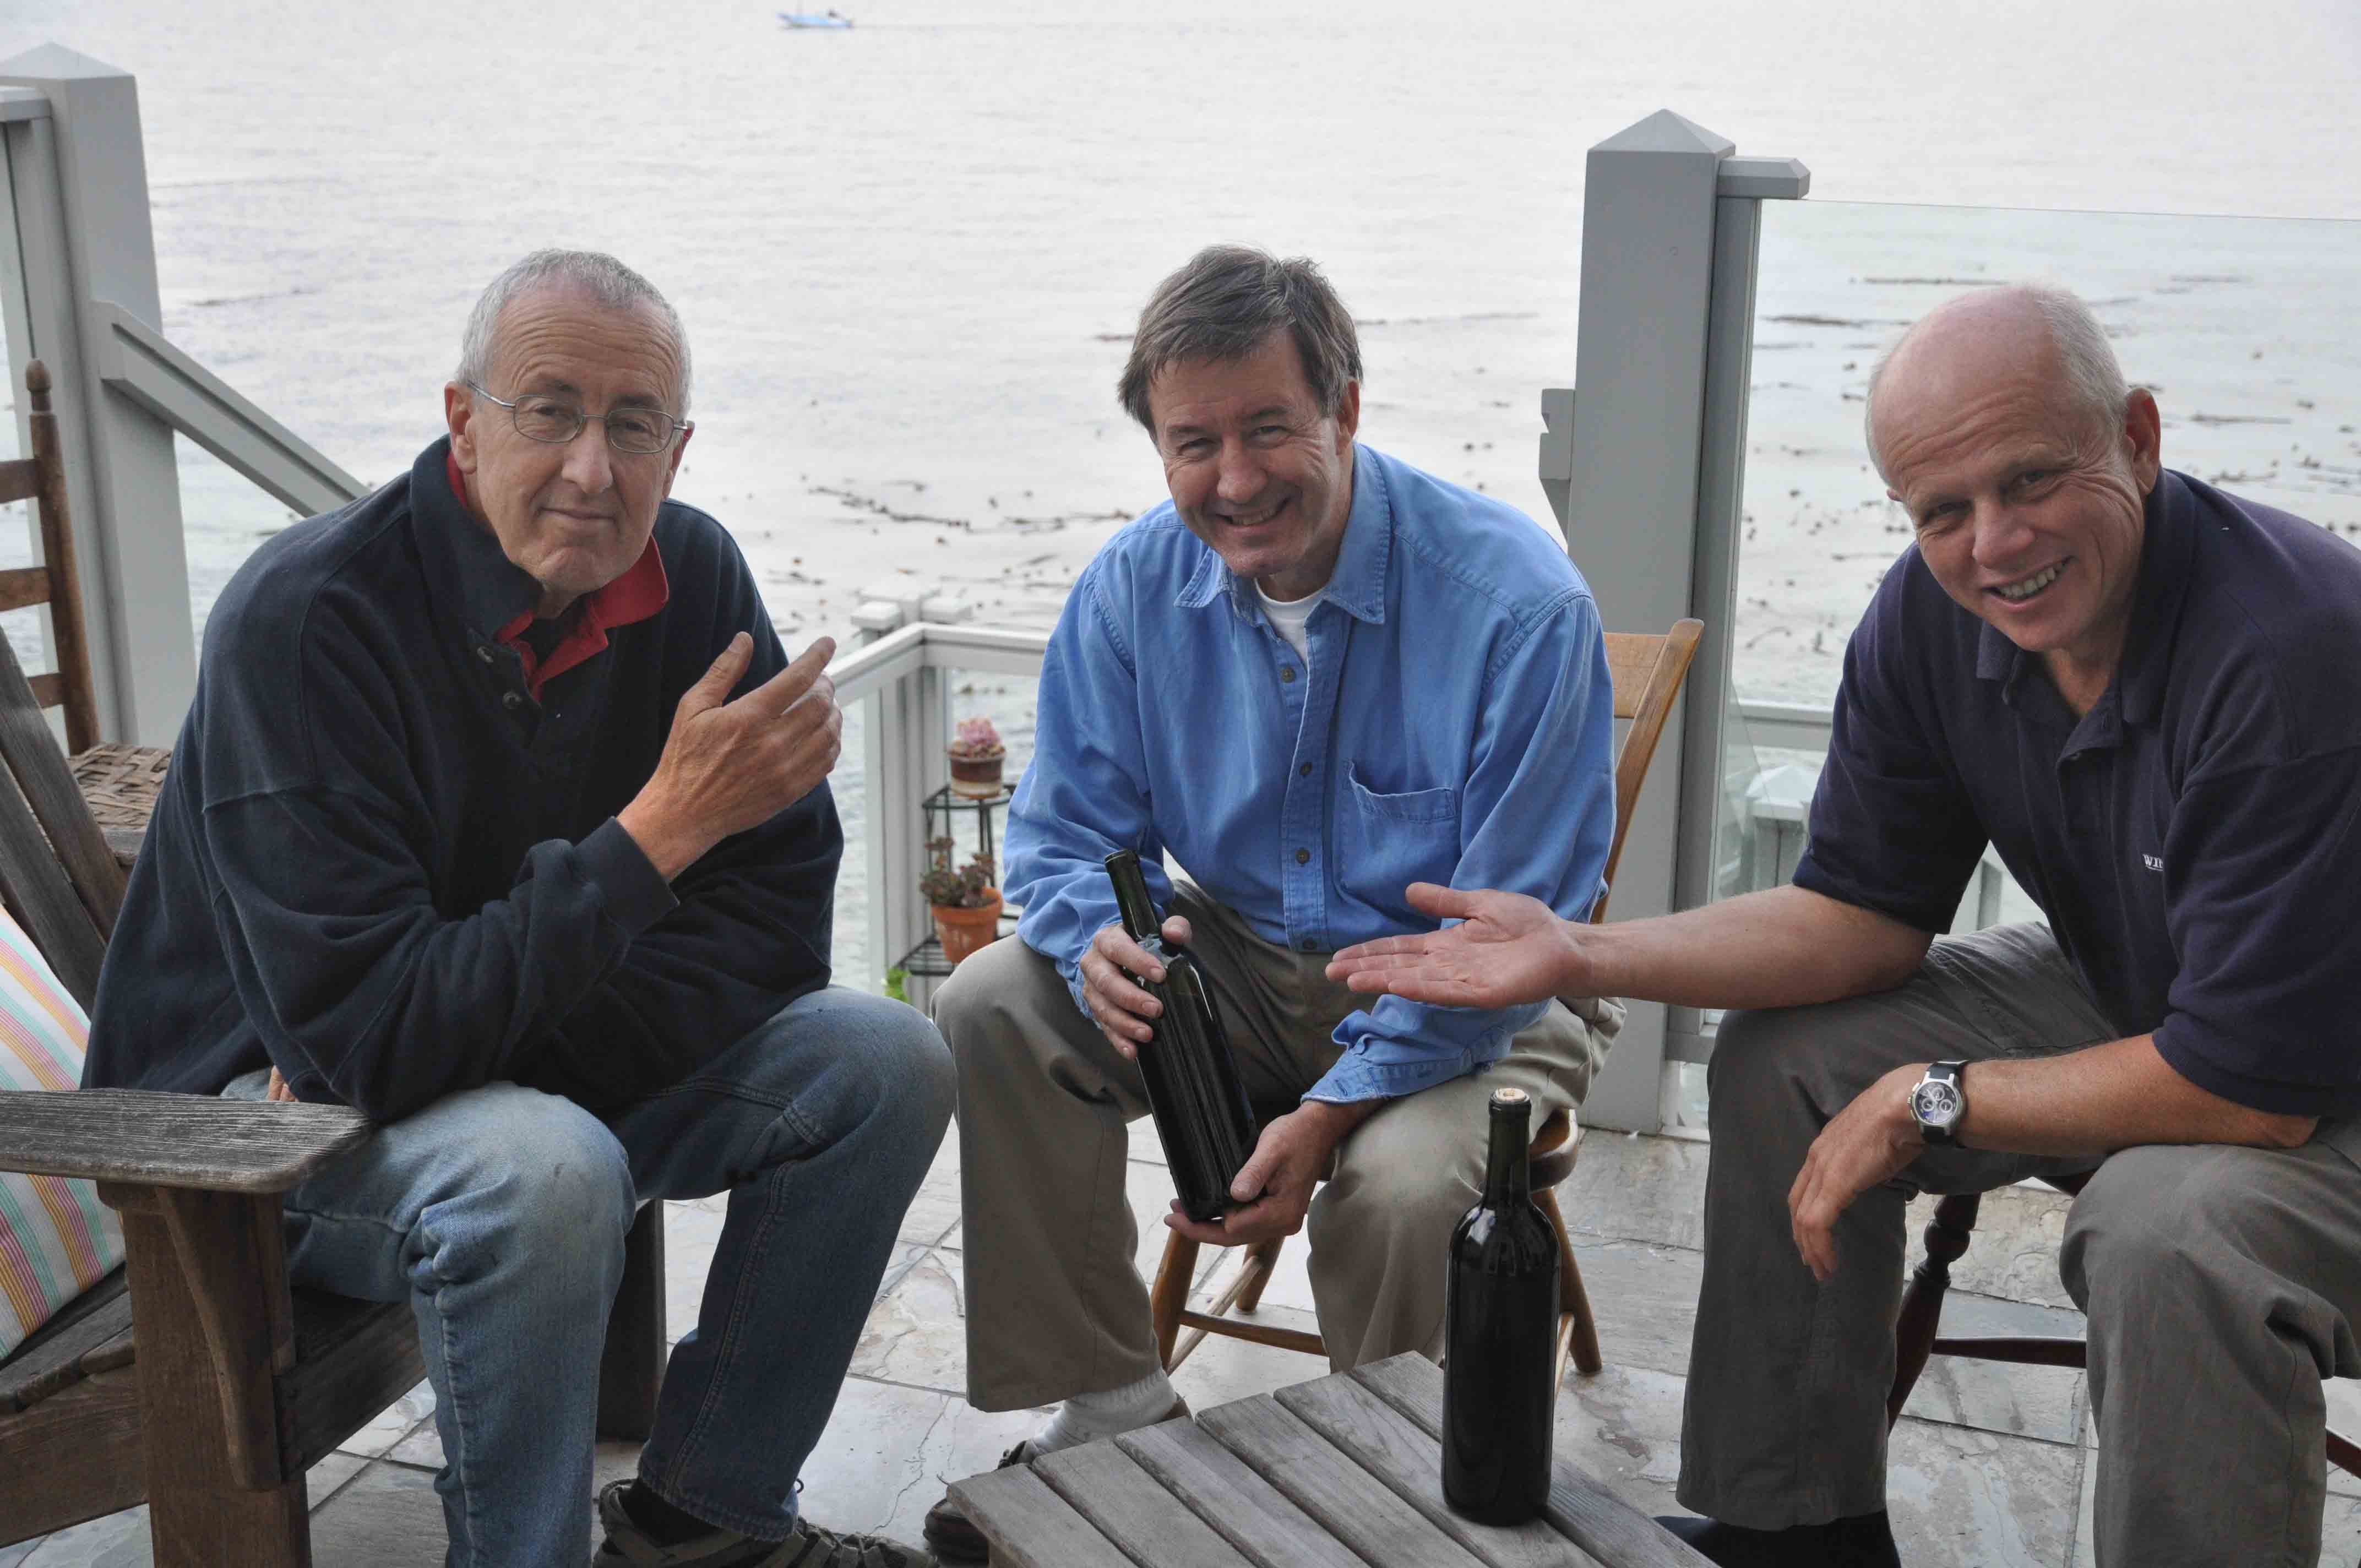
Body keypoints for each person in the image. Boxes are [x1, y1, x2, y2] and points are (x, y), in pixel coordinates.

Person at [1326, 282, 2361, 1568]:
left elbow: (2245, 1090)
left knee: (2160, 1227)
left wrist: (1935, 1094)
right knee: (1787, 1060)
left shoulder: (2290, 658)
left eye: (2030, 479)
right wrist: (1579, 948)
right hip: (2172, 985)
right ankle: (1794, 1529)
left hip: (2306, 1076)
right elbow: (1857, 915)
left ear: (2136, 439)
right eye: (1941, 509)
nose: (1993, 544)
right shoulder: (1938, 612)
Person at [84, 249, 953, 1568]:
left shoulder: (695, 576)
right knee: (544, 1165)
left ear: (677, 448)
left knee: (884, 1058)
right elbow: (363, 1039)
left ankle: (704, 1524)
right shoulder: (307, 616)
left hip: (443, 1072)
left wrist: (503, 1040)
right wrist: (656, 837)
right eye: (548, 411)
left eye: (633, 424)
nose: (590, 469)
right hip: (248, 1129)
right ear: (462, 422)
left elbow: (776, 919)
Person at [921, 244, 1625, 1561]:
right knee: (989, 999)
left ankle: (1395, 1482)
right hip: (1241, 956)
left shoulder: (1518, 607)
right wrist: (1098, 940)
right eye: (1193, 444)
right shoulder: (1130, 589)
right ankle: (1112, 1401)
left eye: (1266, 429)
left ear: (1343, 407)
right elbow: (1064, 836)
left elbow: (1500, 943)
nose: (1234, 480)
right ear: (1158, 448)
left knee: (1404, 1188)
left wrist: (1325, 1116)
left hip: (1480, 996)